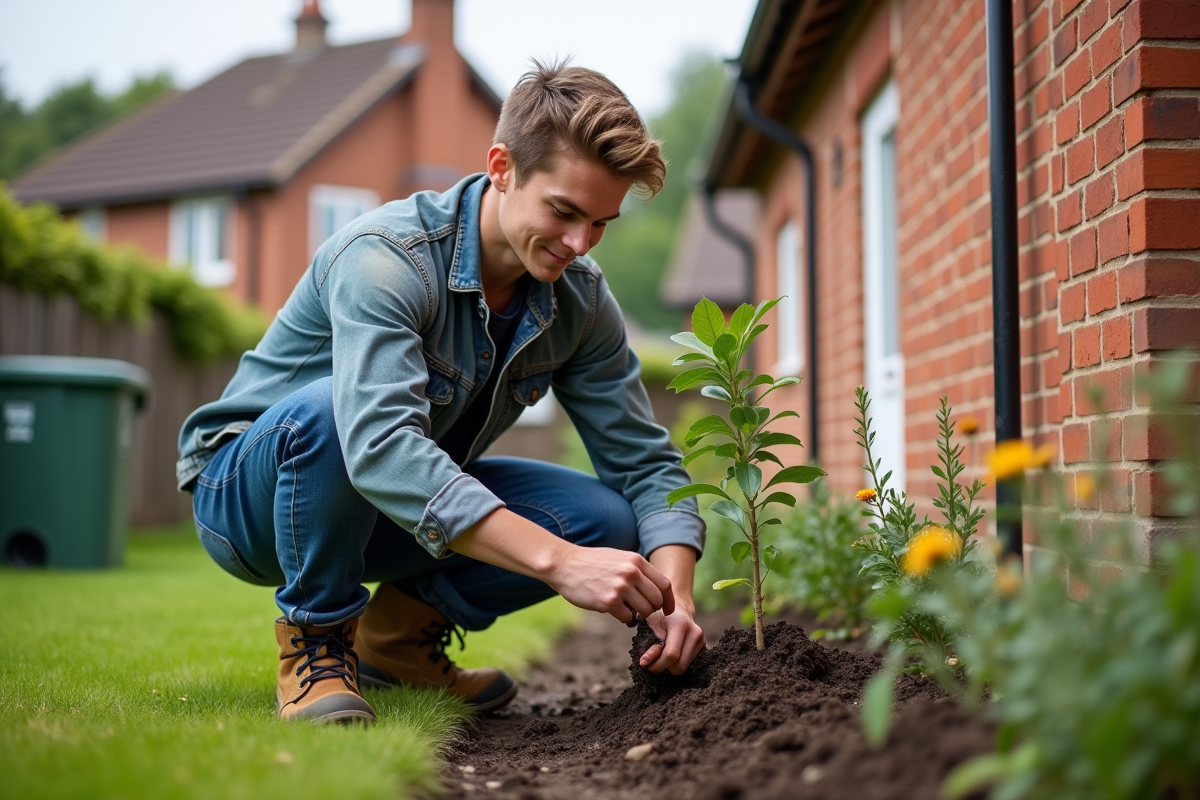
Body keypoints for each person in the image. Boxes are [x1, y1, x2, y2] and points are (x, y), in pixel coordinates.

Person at [177, 61, 706, 725]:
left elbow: (644, 463)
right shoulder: (386, 257)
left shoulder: (581, 300)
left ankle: (395, 643)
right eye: (565, 212)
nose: (579, 244)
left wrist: (675, 599)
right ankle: (316, 641)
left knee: (608, 522)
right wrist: (562, 564)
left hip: (388, 508)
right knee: (332, 411)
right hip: (249, 500)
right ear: (502, 167)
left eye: (601, 223)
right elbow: (379, 444)